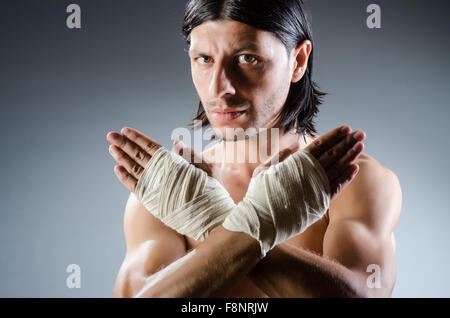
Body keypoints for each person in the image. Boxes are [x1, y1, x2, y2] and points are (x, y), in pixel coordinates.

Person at [107, 0, 402, 297]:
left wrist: (214, 221)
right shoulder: (168, 190)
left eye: (247, 58)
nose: (219, 87)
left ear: (298, 61)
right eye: (204, 59)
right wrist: (256, 222)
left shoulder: (352, 181)